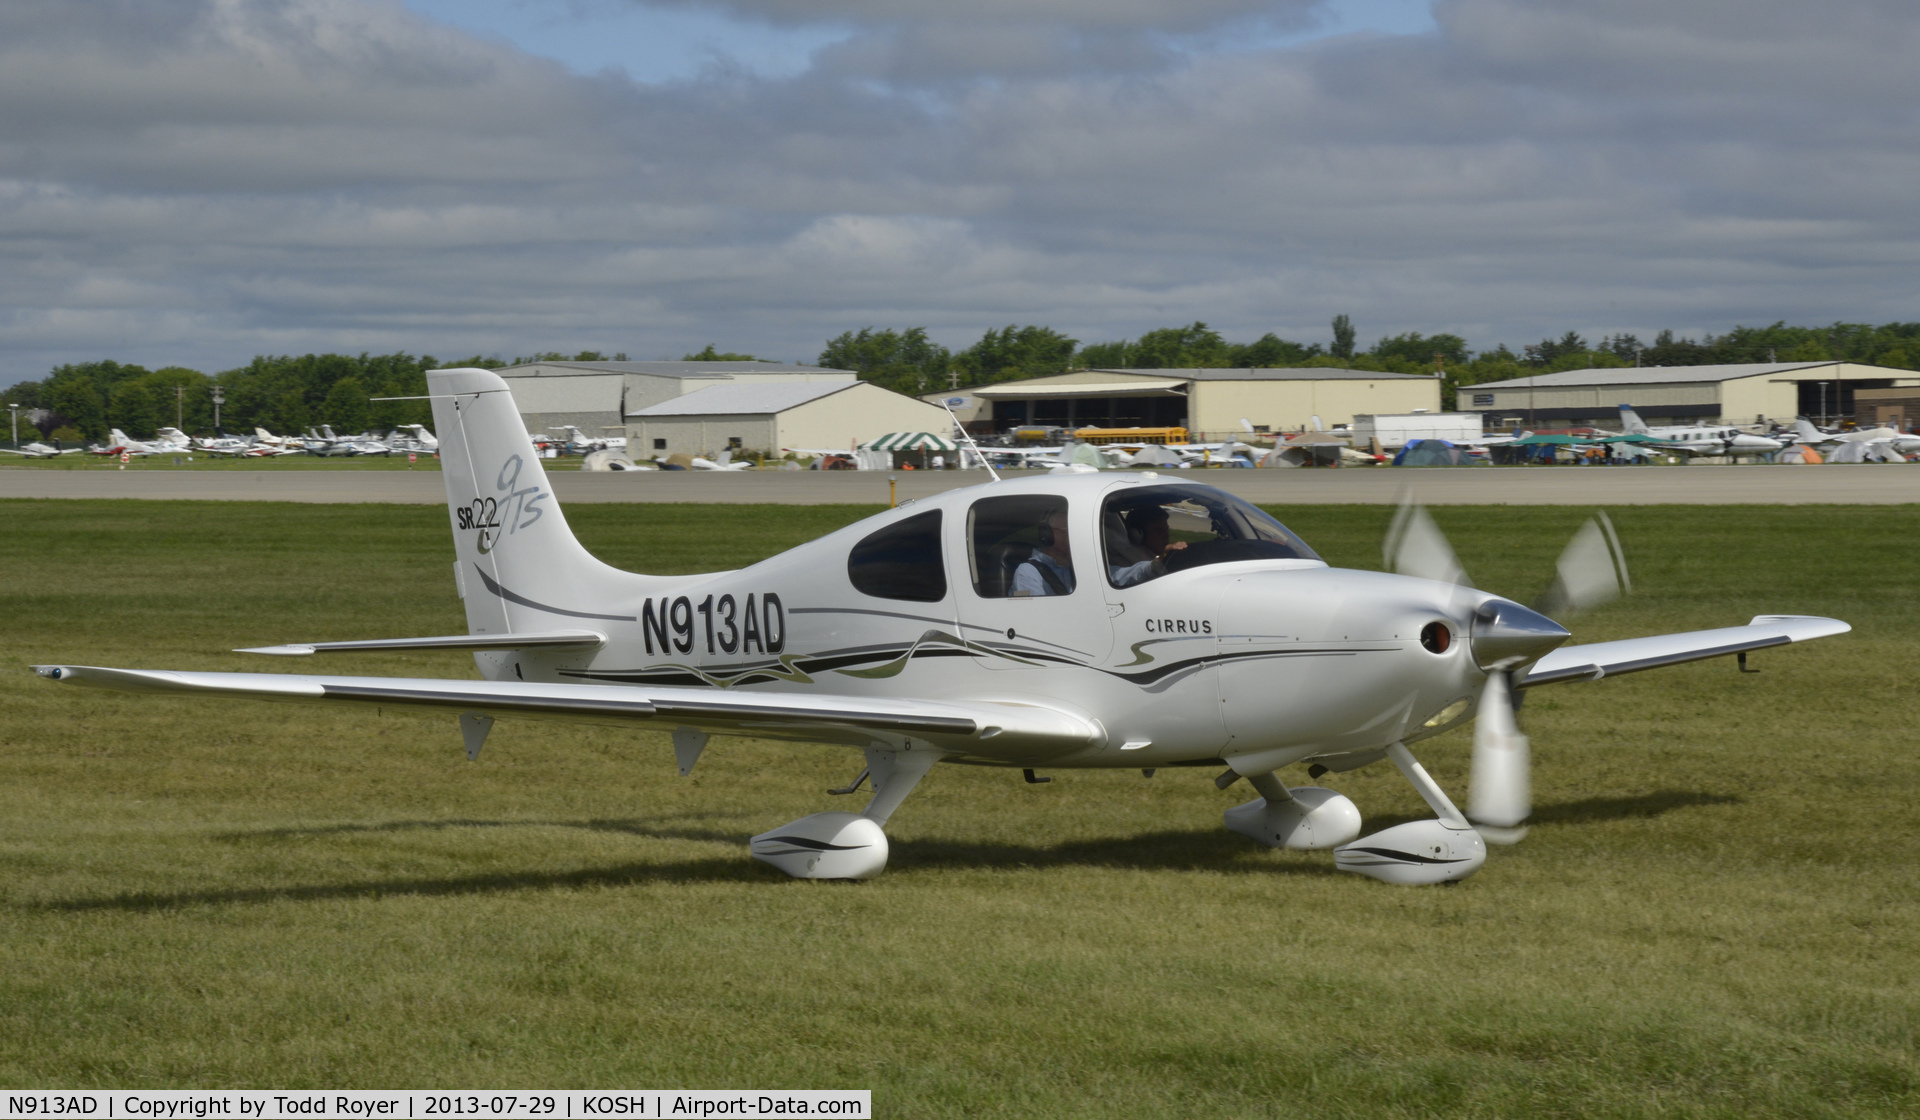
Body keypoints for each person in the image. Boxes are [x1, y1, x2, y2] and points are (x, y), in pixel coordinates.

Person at [1109, 505, 1188, 587]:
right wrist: (1157, 564)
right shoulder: (1124, 559)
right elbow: (1126, 576)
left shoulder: (1157, 554)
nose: (1166, 535)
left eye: (1167, 530)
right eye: (1159, 531)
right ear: (1137, 535)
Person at [1011, 508, 1075, 596]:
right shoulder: (1027, 573)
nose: (1071, 535)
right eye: (1065, 531)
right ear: (1047, 534)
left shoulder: (1076, 568)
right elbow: (1034, 609)